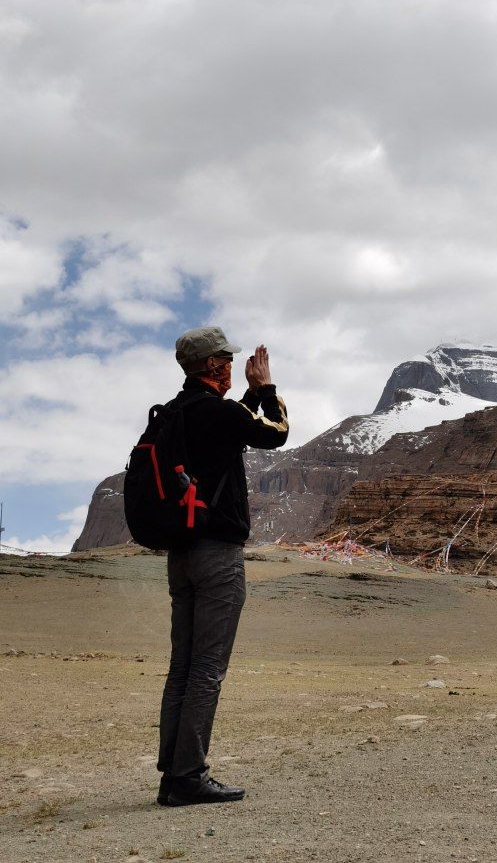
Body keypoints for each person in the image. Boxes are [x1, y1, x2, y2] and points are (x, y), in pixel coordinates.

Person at [155, 326, 289, 807]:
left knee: (183, 668)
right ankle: (188, 776)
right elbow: (276, 434)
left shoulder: (172, 414)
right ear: (214, 367)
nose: (233, 367)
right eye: (227, 361)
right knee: (208, 668)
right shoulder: (215, 411)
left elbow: (229, 431)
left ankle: (172, 774)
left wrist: (247, 397)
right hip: (217, 555)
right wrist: (266, 389)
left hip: (181, 554)